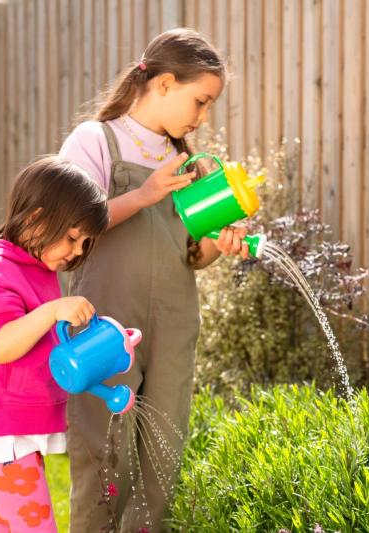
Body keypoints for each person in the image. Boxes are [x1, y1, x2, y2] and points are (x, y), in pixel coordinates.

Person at [59, 28, 247, 532]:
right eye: (200, 101)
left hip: (173, 325)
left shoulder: (191, 163)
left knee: (163, 459)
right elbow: (70, 232)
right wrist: (142, 195)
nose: (202, 117)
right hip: (103, 328)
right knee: (105, 458)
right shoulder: (95, 140)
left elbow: (193, 253)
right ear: (164, 84)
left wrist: (221, 242)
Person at [0, 156, 109, 532]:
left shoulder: (32, 270)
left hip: (13, 429)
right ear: (36, 219)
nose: (77, 251)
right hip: (1, 428)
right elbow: (0, 345)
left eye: (85, 243)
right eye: (72, 237)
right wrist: (53, 311)